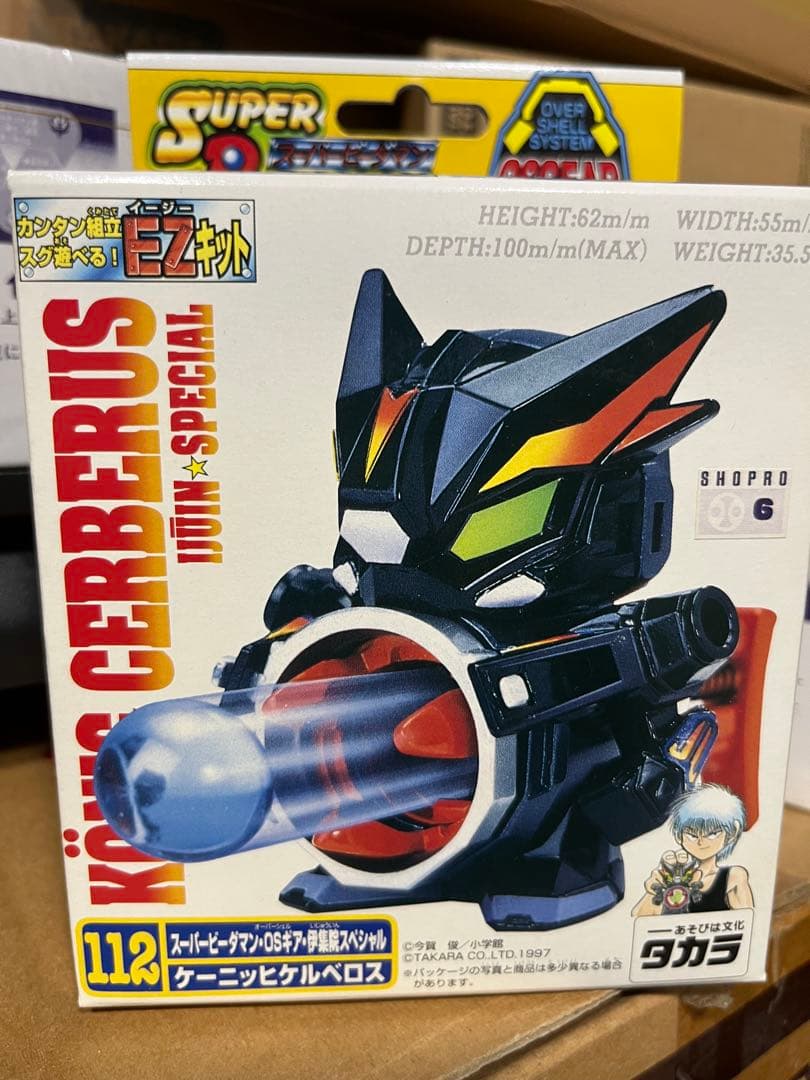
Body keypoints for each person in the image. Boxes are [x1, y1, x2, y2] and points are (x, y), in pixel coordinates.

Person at [632, 784, 754, 916]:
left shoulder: (733, 876)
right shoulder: (671, 877)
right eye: (692, 835)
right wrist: (653, 893)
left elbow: (748, 920)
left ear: (732, 834)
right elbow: (639, 919)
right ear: (679, 836)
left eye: (712, 834)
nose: (701, 842)